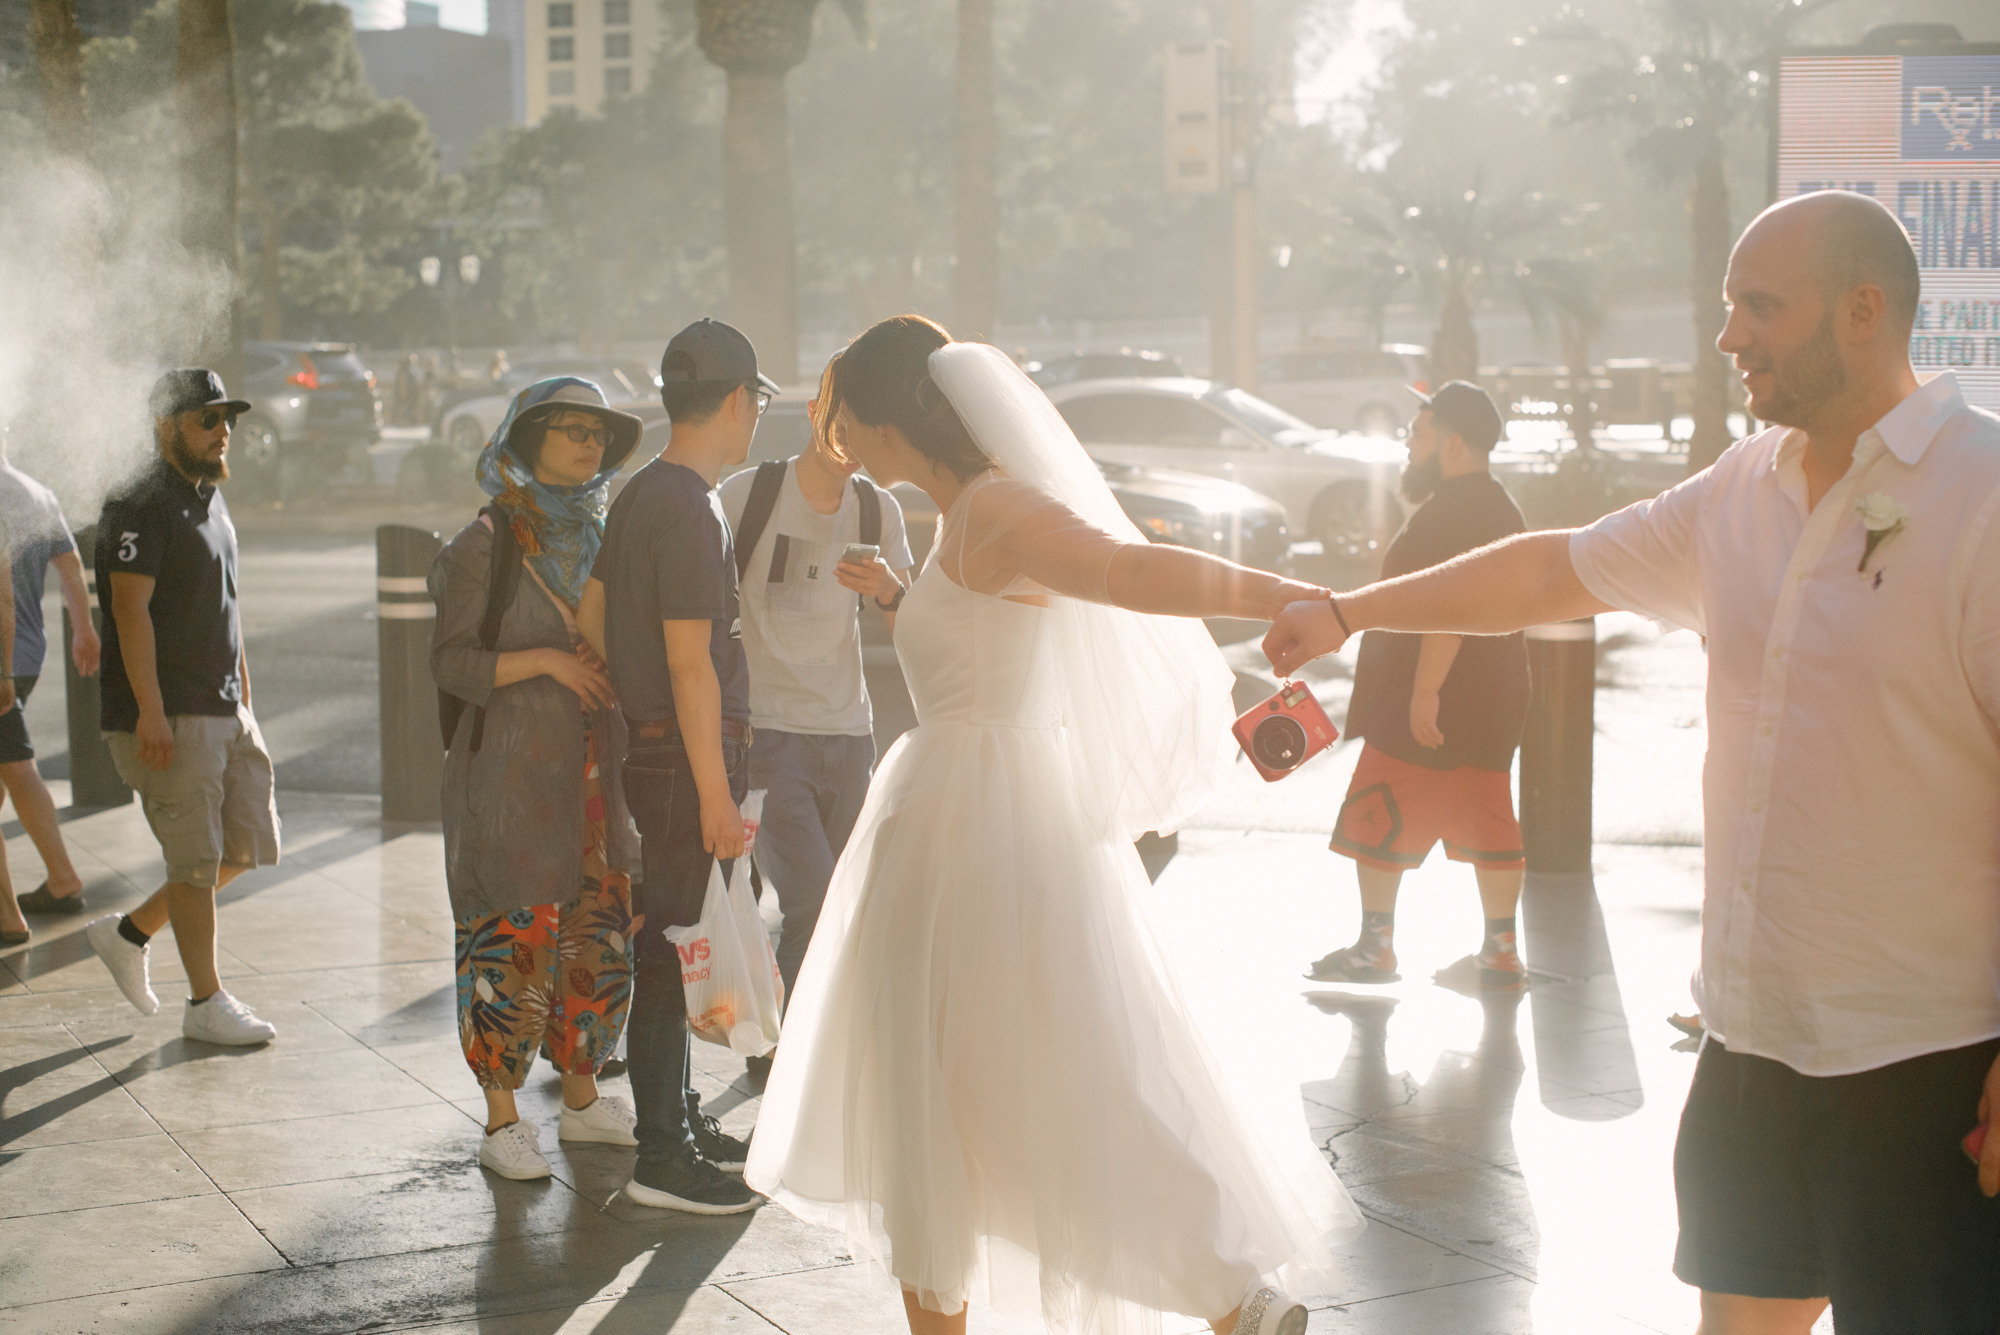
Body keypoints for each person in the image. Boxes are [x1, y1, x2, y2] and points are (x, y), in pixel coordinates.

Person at [1265, 191, 2000, 1335]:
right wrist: (1350, 610)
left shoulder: (1980, 493)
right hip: (1749, 1043)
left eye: (1757, 307)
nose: (1726, 339)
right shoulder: (1739, 491)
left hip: (1927, 1066)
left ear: (1862, 312)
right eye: (1725, 308)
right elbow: (1547, 571)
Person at [745, 316, 1363, 1335]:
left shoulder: (995, 507)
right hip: (959, 817)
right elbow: (984, 634)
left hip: (974, 827)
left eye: (843, 412)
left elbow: (1124, 571)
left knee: (991, 1090)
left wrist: (1285, 597)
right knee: (978, 1090)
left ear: (883, 414)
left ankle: (1225, 1294)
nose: (837, 433)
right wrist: (906, 602)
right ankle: (1225, 1299)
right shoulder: (960, 519)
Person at [576, 318, 778, 1216]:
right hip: (685, 757)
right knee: (675, 955)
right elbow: (694, 662)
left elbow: (591, 619)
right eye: (759, 401)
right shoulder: (691, 508)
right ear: (737, 401)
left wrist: (638, 694)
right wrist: (712, 792)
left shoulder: (636, 496)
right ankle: (662, 1153)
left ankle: (678, 1119)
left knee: (676, 950)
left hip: (654, 749)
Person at [431, 377, 646, 1180]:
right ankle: (502, 1117)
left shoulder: (607, 534)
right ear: (527, 439)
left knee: (597, 934)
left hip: (597, 778)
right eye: (569, 428)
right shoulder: (482, 545)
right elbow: (451, 662)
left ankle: (583, 1098)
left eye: (597, 431)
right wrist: (549, 659)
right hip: (510, 778)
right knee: (512, 941)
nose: (589, 443)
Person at [716, 356, 915, 1088]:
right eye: (839, 425)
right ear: (813, 414)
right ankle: (795, 1050)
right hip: (765, 734)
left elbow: (908, 623)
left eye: (865, 432)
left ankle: (788, 1032)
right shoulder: (748, 495)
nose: (850, 445)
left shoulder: (877, 511)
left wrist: (892, 593)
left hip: (848, 733)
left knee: (831, 900)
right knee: (810, 894)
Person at [1305, 381, 1529, 991]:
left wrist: (1424, 690)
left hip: (1434, 701)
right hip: (1493, 698)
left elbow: (1451, 609)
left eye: (1418, 433)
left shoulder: (1453, 512)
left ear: (1452, 444)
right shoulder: (1499, 506)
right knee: (1488, 816)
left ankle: (1375, 948)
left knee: (1379, 808)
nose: (1408, 443)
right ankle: (1500, 953)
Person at [83, 369, 281, 1045]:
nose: (223, 429)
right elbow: (129, 611)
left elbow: (227, 606)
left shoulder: (210, 496)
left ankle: (129, 933)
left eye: (228, 418)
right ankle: (206, 1002)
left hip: (225, 706)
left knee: (243, 847)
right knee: (196, 862)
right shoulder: (139, 502)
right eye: (207, 418)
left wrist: (244, 692)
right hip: (170, 713)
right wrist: (151, 711)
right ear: (167, 427)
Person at [0, 438, 104, 924]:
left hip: (1, 661)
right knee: (8, 769)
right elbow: (70, 564)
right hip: (29, 655)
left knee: (18, 769)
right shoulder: (38, 493)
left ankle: (62, 880)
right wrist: (83, 629)